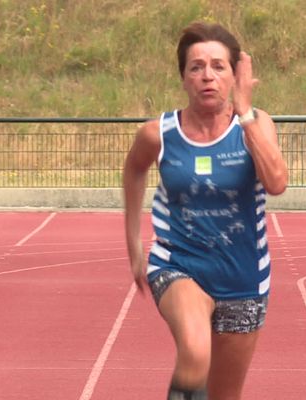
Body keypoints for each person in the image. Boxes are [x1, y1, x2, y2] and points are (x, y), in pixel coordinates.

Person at [123, 21, 288, 400]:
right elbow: (134, 170)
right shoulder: (158, 134)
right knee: (195, 352)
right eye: (196, 67)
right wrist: (134, 245)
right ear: (183, 78)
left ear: (235, 76)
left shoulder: (257, 125)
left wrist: (245, 113)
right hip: (177, 263)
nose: (207, 76)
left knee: (223, 395)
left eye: (218, 66)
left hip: (243, 277)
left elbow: (277, 183)